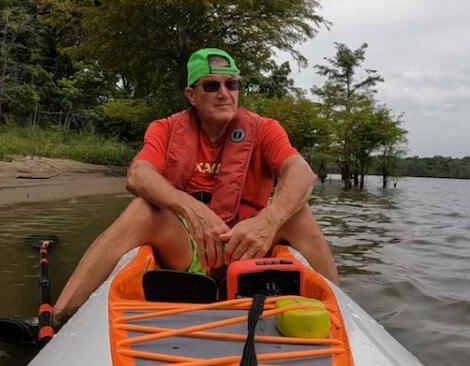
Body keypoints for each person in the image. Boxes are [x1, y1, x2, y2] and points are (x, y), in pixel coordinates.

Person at [51, 48, 339, 327]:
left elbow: (302, 173)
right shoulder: (165, 128)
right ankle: (56, 318)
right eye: (212, 85)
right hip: (188, 248)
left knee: (299, 215)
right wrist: (192, 210)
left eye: (232, 84)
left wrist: (270, 218)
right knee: (141, 209)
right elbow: (138, 174)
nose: (224, 93)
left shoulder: (265, 129)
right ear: (192, 95)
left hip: (248, 246)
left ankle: (342, 315)